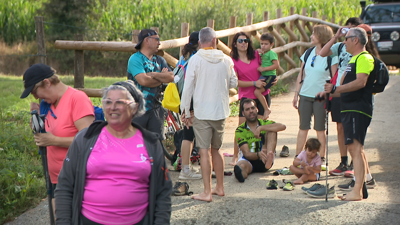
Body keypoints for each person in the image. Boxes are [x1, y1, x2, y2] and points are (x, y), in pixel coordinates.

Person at [55, 80, 172, 224]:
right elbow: (65, 185)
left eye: (120, 102)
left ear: (134, 108)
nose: (113, 108)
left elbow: (163, 191)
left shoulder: (151, 143)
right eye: (108, 102)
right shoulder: (86, 138)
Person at [20, 63, 95, 217]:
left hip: (77, 177)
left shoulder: (77, 99)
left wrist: (53, 140)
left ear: (47, 83)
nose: (35, 97)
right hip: (56, 178)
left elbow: (89, 140)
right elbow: (48, 132)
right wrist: (36, 120)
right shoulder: (48, 104)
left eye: (35, 91)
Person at [317, 27, 375, 201]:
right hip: (350, 107)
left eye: (347, 38)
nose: (344, 41)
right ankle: (361, 187)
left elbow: (360, 82)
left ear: (355, 40)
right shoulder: (354, 59)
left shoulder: (364, 58)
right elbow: (344, 87)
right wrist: (327, 93)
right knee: (356, 149)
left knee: (355, 149)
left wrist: (336, 88)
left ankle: (357, 191)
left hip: (358, 109)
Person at [180, 27, 238, 202]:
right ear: (215, 41)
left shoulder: (196, 60)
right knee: (217, 150)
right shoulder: (226, 59)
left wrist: (185, 111)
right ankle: (219, 187)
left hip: (202, 111)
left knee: (204, 151)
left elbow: (188, 87)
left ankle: (206, 192)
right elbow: (234, 82)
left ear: (199, 42)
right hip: (220, 111)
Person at [319, 17, 362, 177]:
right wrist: (336, 37)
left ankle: (354, 162)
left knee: (352, 127)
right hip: (337, 90)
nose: (348, 31)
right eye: (347, 27)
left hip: (351, 89)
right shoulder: (341, 46)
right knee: (340, 126)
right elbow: (323, 52)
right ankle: (344, 161)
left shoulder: (361, 49)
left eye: (352, 28)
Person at [229, 31, 277, 166]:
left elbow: (268, 67)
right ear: (235, 43)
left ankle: (262, 155)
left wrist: (273, 78)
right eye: (240, 41)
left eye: (246, 40)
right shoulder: (233, 61)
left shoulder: (257, 54)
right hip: (246, 97)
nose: (244, 43)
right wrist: (254, 83)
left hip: (262, 94)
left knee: (259, 128)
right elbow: (236, 82)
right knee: (241, 128)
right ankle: (235, 155)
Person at [292, 25, 338, 163]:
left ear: (321, 36)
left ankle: (321, 158)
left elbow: (335, 77)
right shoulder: (308, 53)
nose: (311, 36)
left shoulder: (331, 55)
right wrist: (296, 94)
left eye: (314, 34)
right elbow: (302, 74)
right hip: (305, 95)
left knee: (320, 129)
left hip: (321, 98)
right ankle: (298, 157)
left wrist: (326, 93)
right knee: (303, 127)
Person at [127, 29, 174, 139]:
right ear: (146, 41)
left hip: (156, 109)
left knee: (156, 145)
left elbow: (171, 77)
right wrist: (161, 77)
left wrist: (153, 74)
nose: (159, 43)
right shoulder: (135, 59)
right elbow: (143, 81)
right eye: (157, 39)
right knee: (136, 144)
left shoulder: (160, 60)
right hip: (137, 110)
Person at [234, 98, 286, 182]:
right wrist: (258, 154)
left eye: (253, 108)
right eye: (247, 109)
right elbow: (246, 154)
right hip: (248, 160)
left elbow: (282, 126)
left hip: (265, 157)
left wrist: (261, 128)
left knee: (272, 130)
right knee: (241, 167)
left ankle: (268, 159)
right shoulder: (240, 130)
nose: (251, 111)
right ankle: (241, 174)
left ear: (257, 109)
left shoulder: (264, 123)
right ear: (243, 113)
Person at [176, 31, 202, 180]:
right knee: (189, 135)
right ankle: (185, 170)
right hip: (191, 100)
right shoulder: (195, 58)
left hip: (184, 99)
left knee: (189, 135)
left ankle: (186, 168)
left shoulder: (184, 57)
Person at [254, 33, 279, 120]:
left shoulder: (271, 53)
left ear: (272, 44)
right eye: (261, 44)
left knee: (257, 92)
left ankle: (266, 109)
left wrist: (264, 69)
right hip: (264, 76)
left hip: (270, 76)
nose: (263, 46)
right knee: (256, 87)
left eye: (266, 44)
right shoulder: (263, 53)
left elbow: (276, 65)